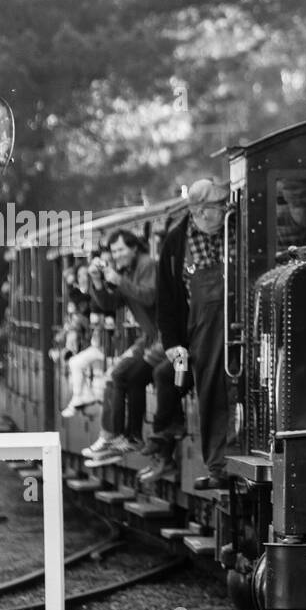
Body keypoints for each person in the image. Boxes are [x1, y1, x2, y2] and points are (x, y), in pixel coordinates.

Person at [156, 178, 233, 490]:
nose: (226, 209)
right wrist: (172, 343)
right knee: (211, 391)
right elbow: (167, 298)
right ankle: (219, 464)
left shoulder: (234, 226)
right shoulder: (176, 244)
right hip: (202, 329)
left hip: (240, 318)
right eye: (218, 207)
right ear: (200, 212)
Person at [81, 230, 161, 468]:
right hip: (149, 337)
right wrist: (97, 281)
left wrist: (118, 281)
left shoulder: (147, 265)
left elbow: (149, 297)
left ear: (134, 248)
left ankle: (121, 436)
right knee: (118, 376)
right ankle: (118, 436)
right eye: (113, 251)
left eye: (120, 250)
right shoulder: (125, 271)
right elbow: (110, 303)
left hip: (163, 337)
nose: (116, 255)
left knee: (124, 375)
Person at [61, 255, 106, 417]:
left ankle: (81, 399)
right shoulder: (77, 296)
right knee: (71, 359)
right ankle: (80, 397)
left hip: (102, 344)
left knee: (77, 363)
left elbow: (92, 319)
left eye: (85, 275)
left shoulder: (96, 295)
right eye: (79, 276)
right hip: (89, 342)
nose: (82, 279)